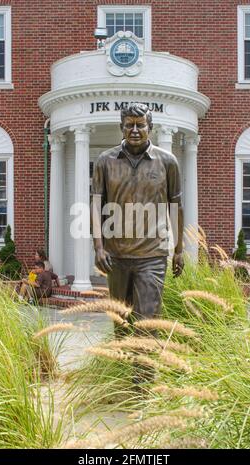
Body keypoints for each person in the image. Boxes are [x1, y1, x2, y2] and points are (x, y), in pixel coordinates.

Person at [91, 103, 184, 381]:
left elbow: (175, 207)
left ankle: (142, 386)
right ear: (121, 127)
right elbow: (96, 205)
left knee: (147, 324)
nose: (134, 130)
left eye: (140, 124)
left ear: (149, 127)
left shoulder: (167, 162)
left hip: (152, 255)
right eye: (129, 124)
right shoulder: (105, 161)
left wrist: (179, 250)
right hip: (116, 256)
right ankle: (121, 378)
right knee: (120, 322)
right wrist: (98, 245)